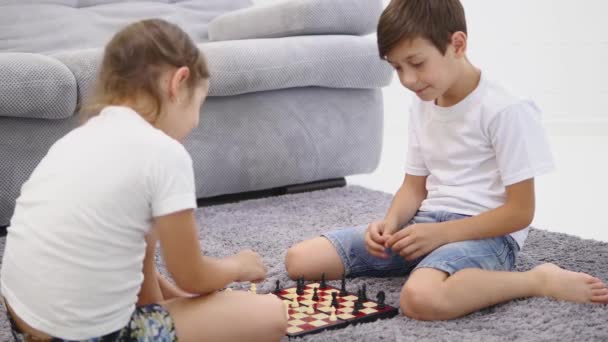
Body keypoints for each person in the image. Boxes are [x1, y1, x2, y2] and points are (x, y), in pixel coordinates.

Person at [285, 0, 608, 321]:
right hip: (427, 224)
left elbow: (521, 212)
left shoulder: (505, 109)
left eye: (416, 63)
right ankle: (433, 264)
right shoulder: (423, 103)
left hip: (487, 235)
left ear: (457, 44)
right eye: (398, 68)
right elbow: (413, 187)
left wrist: (442, 235)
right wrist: (390, 224)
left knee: (420, 299)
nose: (409, 80)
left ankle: (536, 280)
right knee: (301, 260)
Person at [1, 19, 287, 341]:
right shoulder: (164, 152)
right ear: (179, 83)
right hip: (87, 335)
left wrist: (177, 302)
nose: (195, 123)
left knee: (142, 231)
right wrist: (238, 266)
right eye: (198, 106)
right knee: (269, 314)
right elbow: (192, 276)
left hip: (23, 322)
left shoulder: (78, 139)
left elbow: (137, 255)